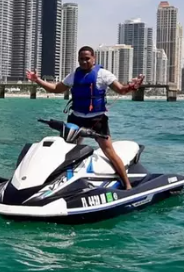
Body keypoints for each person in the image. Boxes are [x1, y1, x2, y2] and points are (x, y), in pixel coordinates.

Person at [26, 46, 144, 190]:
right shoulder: (73, 76)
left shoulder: (103, 74)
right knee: (65, 150)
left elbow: (121, 89)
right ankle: (56, 183)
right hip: (76, 119)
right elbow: (56, 88)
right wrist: (37, 79)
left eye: (87, 58)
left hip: (97, 120)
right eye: (81, 59)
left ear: (94, 58)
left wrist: (132, 86)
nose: (84, 61)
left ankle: (127, 185)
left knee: (109, 152)